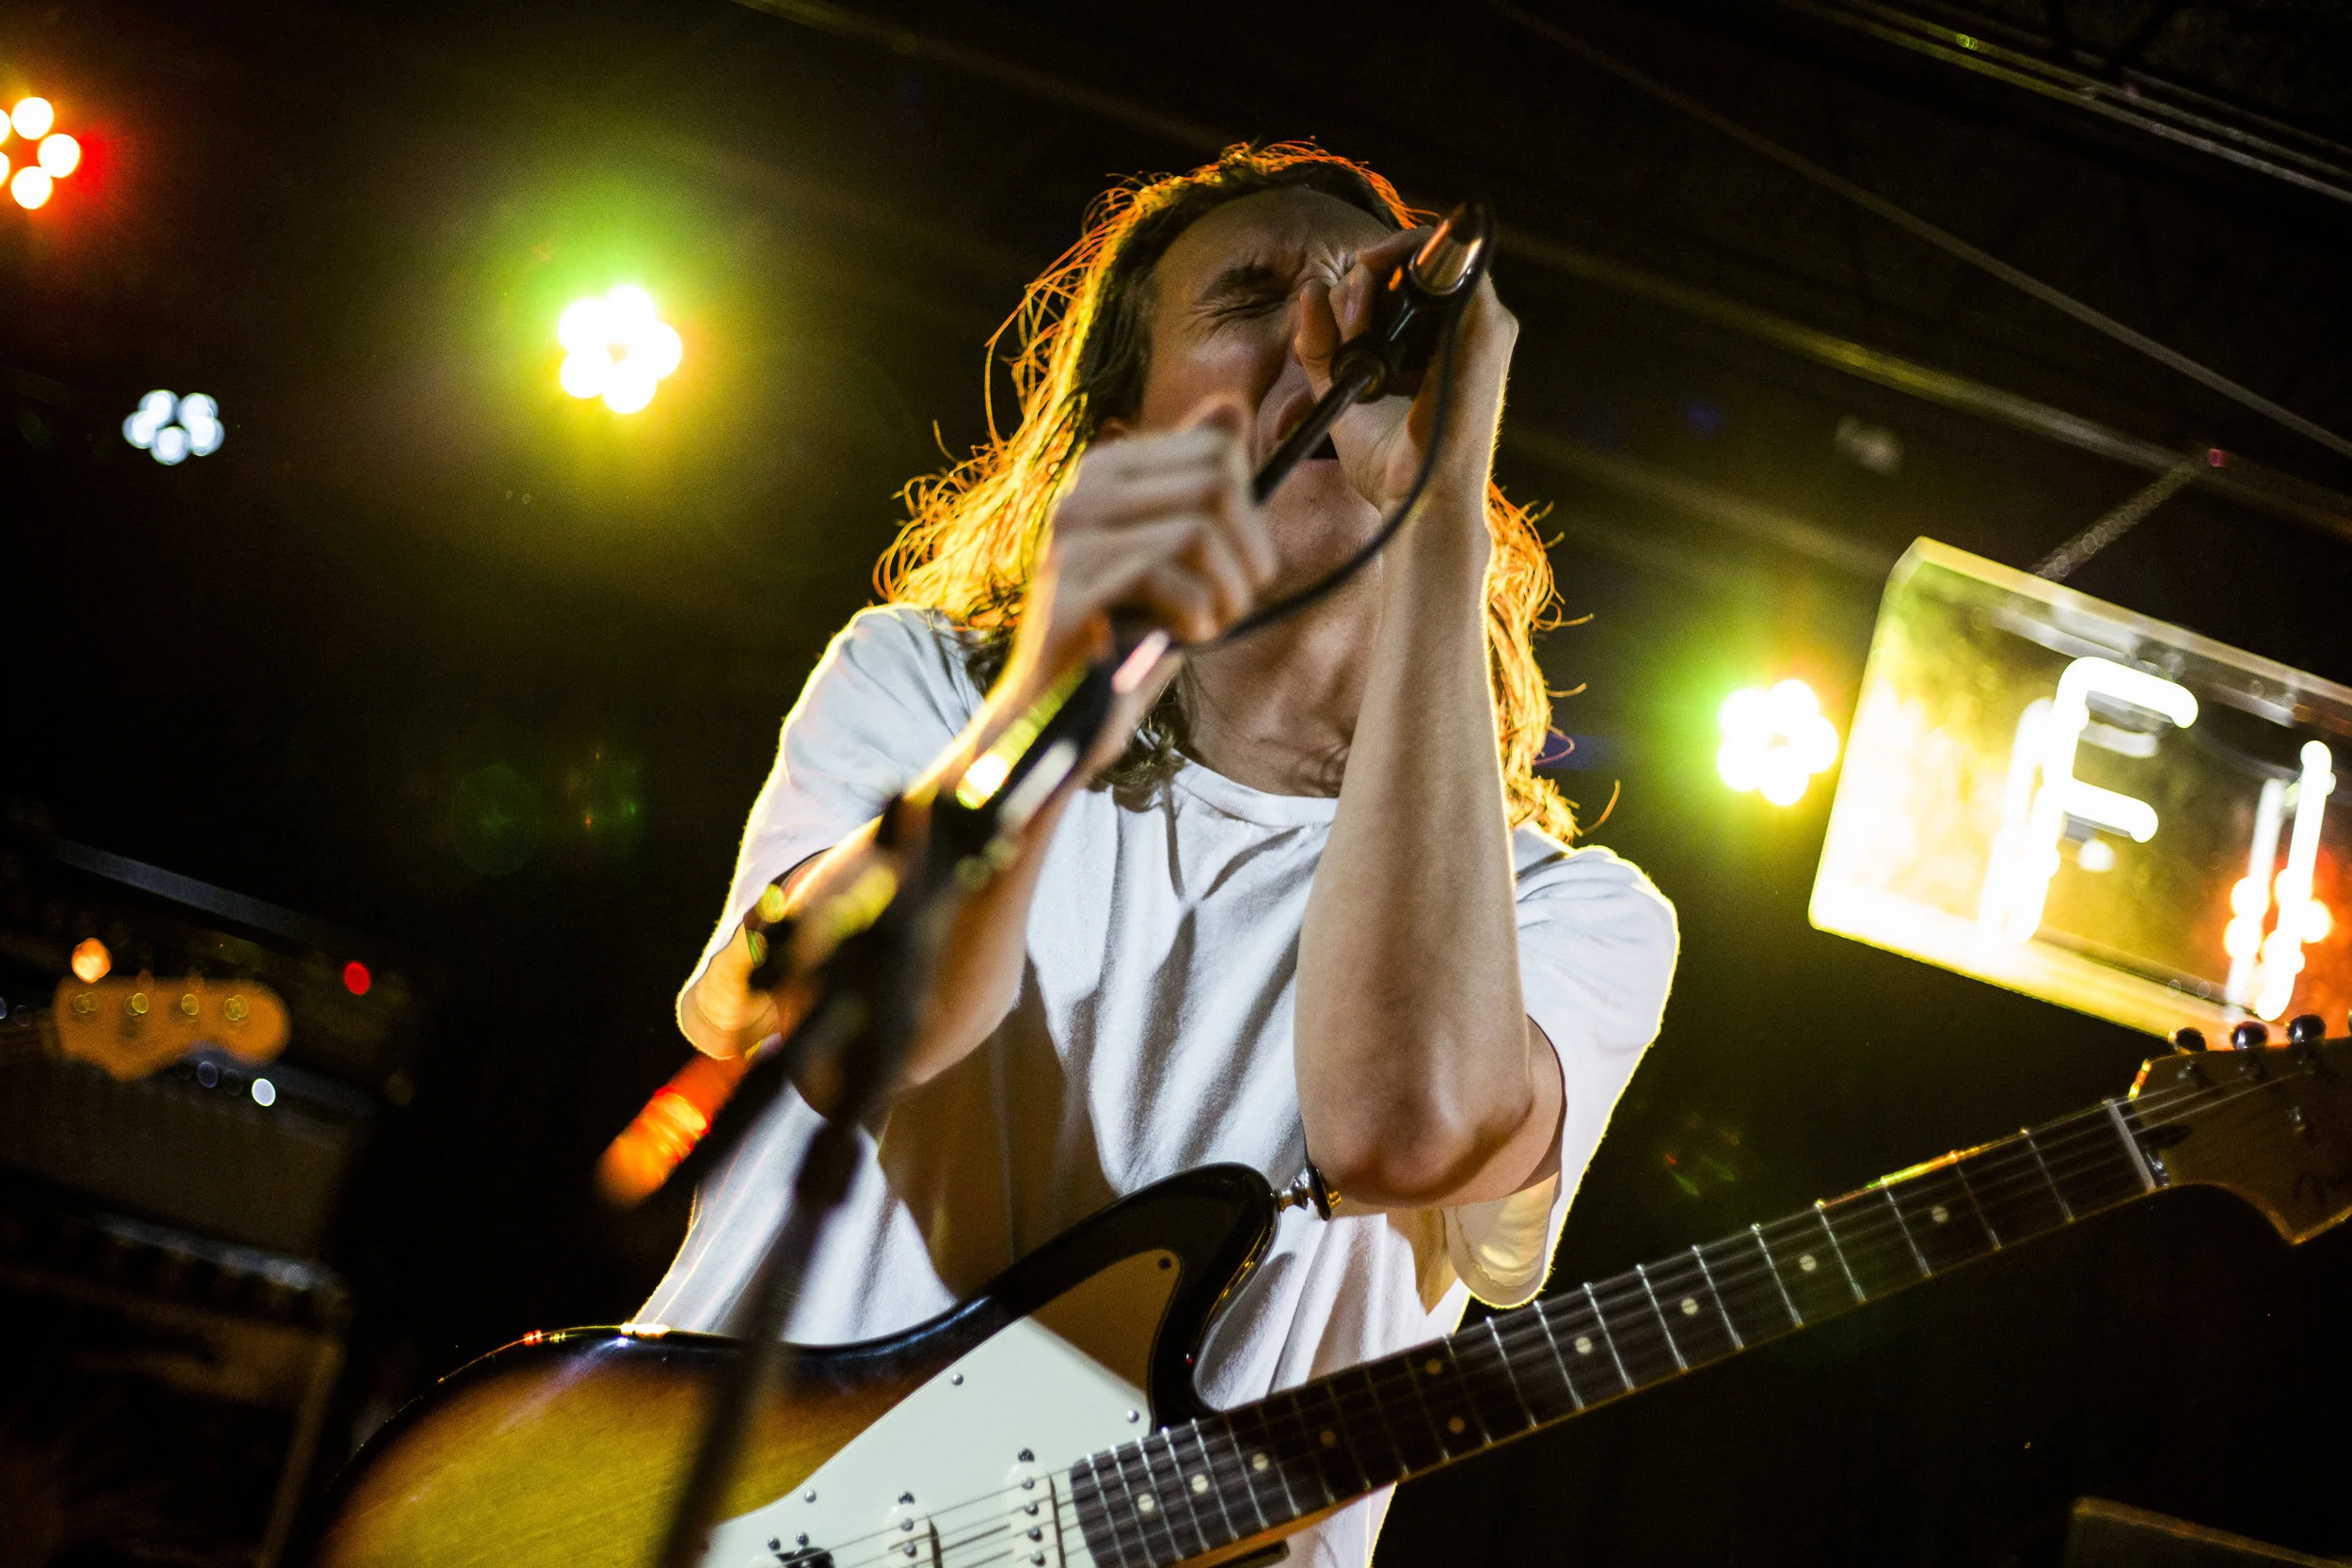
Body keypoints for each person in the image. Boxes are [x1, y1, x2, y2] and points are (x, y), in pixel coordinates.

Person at [642, 142, 1677, 1568]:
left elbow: (1399, 1133)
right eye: (1251, 298)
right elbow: (850, 1028)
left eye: (1365, 308)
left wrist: (1442, 507)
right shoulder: (928, 689)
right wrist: (1046, 693)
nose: (1323, 343)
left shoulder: (1571, 911)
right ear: (1124, 435)